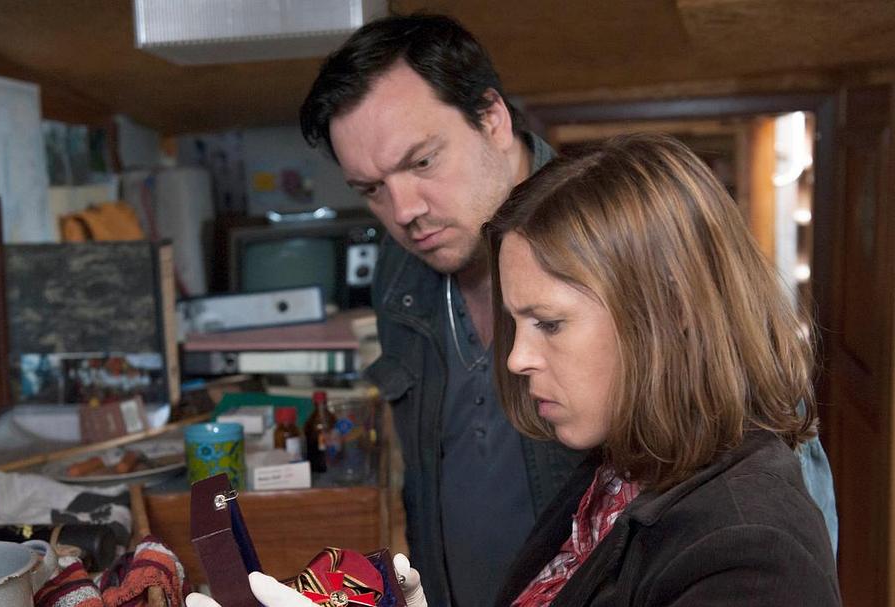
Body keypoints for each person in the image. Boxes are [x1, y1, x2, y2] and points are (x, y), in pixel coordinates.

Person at [299, 13, 837, 606]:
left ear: (492, 118)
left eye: (422, 161)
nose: (403, 211)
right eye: (371, 189)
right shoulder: (399, 273)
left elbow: (767, 545)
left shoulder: (635, 241)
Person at [486, 134, 840, 606]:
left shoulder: (751, 554)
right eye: (515, 323)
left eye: (549, 323)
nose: (516, 358)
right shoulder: (623, 464)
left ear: (674, 308)